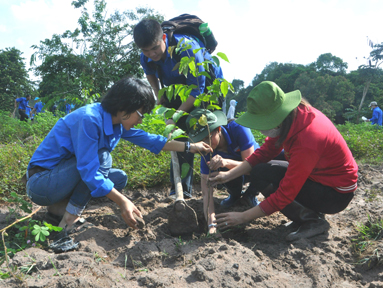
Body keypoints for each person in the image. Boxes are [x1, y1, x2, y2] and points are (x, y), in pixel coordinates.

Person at [25, 77, 212, 236]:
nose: (141, 120)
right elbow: (88, 171)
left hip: (61, 180)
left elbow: (149, 140)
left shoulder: (116, 123)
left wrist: (190, 147)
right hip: (42, 183)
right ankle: (69, 218)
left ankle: (57, 208)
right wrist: (123, 201)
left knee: (117, 178)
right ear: (124, 108)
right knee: (103, 159)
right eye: (140, 114)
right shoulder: (90, 119)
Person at [209, 81, 358, 241]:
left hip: (335, 194)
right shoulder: (291, 118)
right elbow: (265, 152)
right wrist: (228, 175)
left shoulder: (307, 139)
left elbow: (285, 193)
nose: (261, 128)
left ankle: (312, 221)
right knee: (261, 167)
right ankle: (306, 215)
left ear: (275, 117)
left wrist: (243, 217)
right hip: (319, 177)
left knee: (262, 173)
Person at [133, 19, 224, 199]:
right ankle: (181, 192)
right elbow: (152, 78)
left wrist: (174, 116)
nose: (151, 54)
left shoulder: (186, 49)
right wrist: (162, 101)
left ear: (163, 38)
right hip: (177, 90)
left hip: (207, 90)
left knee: (213, 137)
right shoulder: (146, 56)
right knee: (180, 138)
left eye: (154, 48)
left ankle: (226, 185)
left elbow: (197, 91)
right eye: (145, 51)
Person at [186, 108, 260, 235]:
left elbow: (251, 166)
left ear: (218, 129)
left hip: (256, 169)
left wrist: (226, 162)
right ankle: (235, 195)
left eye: (208, 138)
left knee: (260, 170)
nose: (205, 144)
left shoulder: (238, 128)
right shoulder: (206, 152)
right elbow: (206, 192)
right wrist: (211, 225)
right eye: (200, 140)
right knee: (216, 171)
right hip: (233, 175)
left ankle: (250, 195)